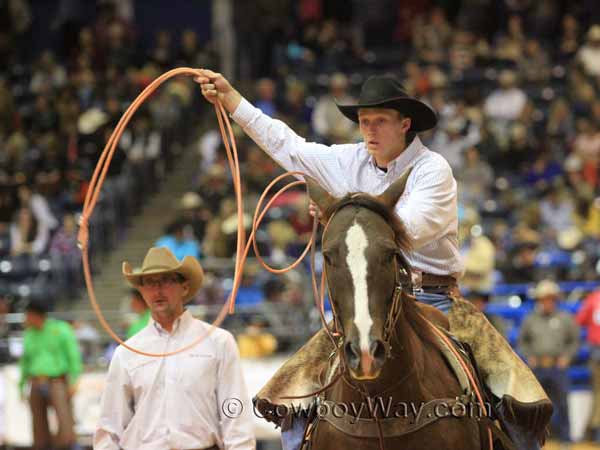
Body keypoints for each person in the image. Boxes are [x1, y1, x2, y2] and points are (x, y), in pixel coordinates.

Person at [195, 70, 551, 450]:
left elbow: (405, 233)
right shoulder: (350, 160)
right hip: (366, 300)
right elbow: (288, 147)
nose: (369, 131)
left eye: (379, 121)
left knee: (516, 397)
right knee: (290, 400)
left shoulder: (433, 171)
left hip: (435, 299)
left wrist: (340, 215)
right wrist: (233, 100)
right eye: (364, 122)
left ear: (405, 123)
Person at [93, 246, 255, 450]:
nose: (158, 290)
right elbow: (109, 426)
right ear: (142, 291)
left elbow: (235, 413)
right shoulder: (127, 352)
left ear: (184, 288)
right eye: (150, 283)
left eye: (166, 281)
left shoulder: (219, 343)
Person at [518, 280, 579, 449]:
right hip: (537, 368)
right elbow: (523, 341)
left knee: (562, 402)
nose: (547, 302)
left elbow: (574, 341)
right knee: (535, 405)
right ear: (539, 300)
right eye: (544, 298)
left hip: (557, 367)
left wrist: (566, 357)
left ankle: (565, 438)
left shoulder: (565, 318)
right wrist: (529, 356)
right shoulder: (530, 319)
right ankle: (533, 439)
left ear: (555, 299)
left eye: (551, 298)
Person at [19, 300, 82, 450]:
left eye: (27, 315)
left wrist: (74, 380)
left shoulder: (60, 329)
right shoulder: (29, 334)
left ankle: (66, 446)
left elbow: (73, 356)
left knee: (64, 420)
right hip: (35, 381)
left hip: (57, 381)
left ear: (35, 315)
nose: (25, 319)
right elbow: (25, 362)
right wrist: (21, 385)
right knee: (38, 423)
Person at [575, 287, 600, 443]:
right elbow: (579, 321)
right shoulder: (594, 298)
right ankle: (594, 432)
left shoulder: (594, 298)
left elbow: (580, 320)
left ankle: (592, 430)